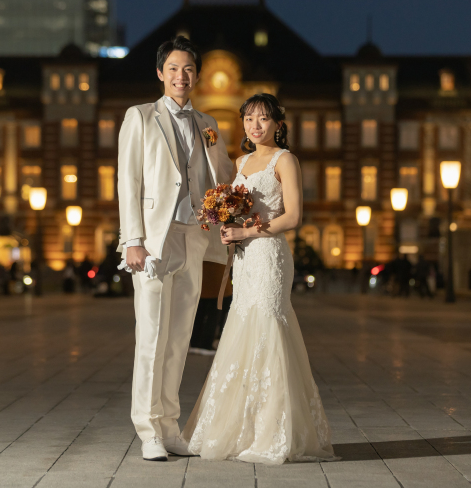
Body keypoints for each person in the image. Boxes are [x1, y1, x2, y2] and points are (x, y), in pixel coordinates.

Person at [183, 93, 337, 464]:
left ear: (278, 125)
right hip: (245, 260)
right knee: (242, 329)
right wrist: (228, 226)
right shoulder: (241, 161)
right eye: (249, 118)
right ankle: (242, 430)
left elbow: (293, 216)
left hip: (269, 256)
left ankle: (275, 432)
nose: (255, 125)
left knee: (269, 326)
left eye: (264, 119)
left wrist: (246, 233)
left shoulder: (286, 160)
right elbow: (240, 212)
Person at [116, 36, 233, 461]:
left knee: (179, 338)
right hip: (153, 241)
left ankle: (169, 428)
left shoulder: (207, 123)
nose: (181, 76)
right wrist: (133, 240)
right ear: (161, 73)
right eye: (174, 68)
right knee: (150, 338)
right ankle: (147, 430)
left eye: (188, 70)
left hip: (194, 237)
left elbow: (222, 177)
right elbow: (128, 182)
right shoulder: (141, 117)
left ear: (196, 76)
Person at [189, 261, 232, 355]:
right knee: (213, 313)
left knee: (199, 312)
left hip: (204, 275)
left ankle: (196, 342)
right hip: (216, 275)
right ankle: (206, 343)